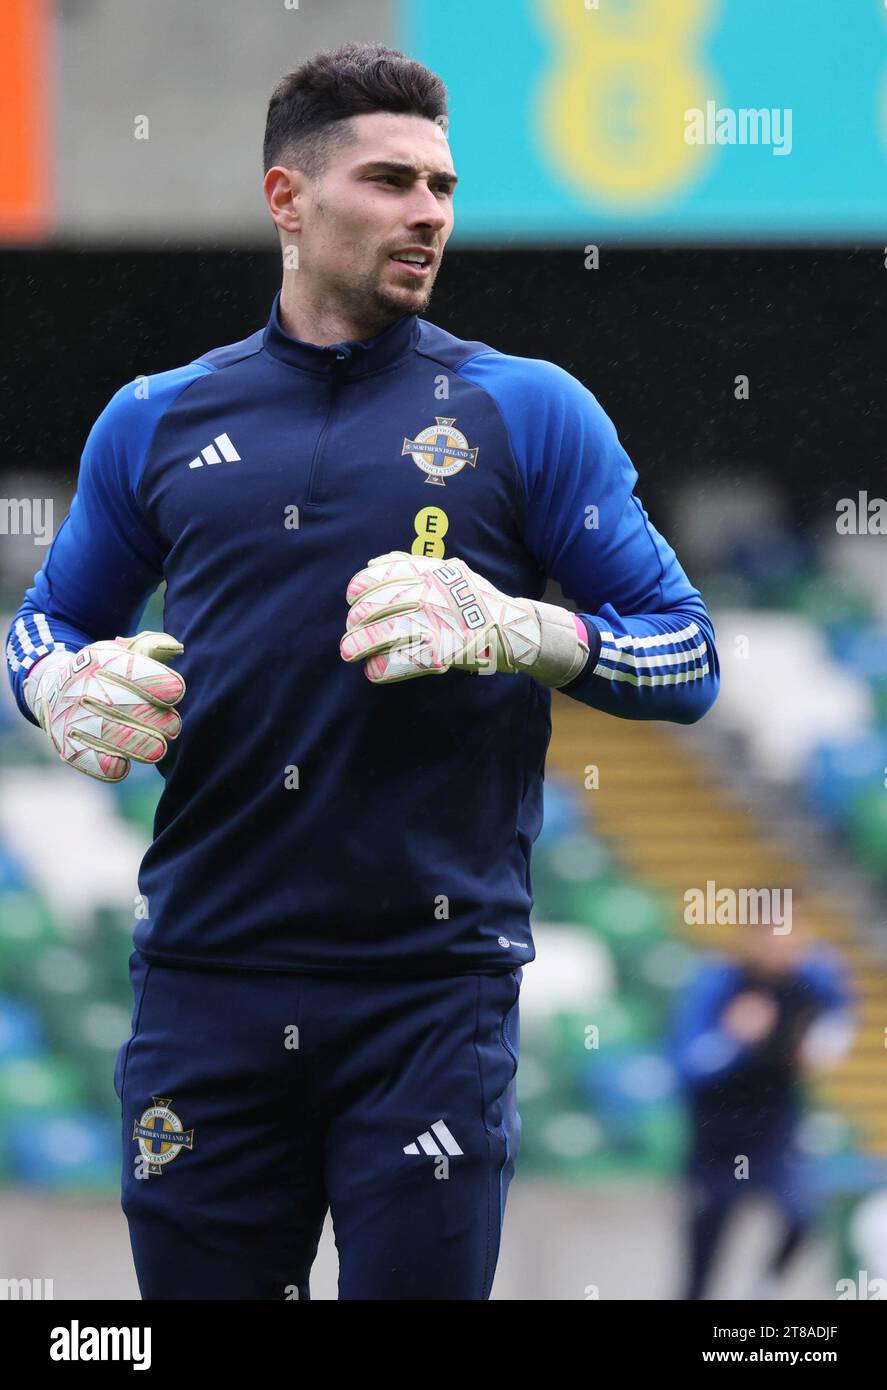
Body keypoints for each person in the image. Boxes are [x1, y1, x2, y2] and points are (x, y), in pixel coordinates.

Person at [5, 42, 719, 1299]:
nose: (428, 213)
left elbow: (688, 653)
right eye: (389, 181)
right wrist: (51, 684)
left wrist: (521, 627)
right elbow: (47, 621)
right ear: (288, 198)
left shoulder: (527, 410)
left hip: (429, 1001)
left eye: (441, 185)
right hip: (204, 989)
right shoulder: (154, 418)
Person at [671, 921, 855, 1300]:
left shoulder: (810, 979)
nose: (785, 945)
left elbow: (841, 1012)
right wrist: (732, 1039)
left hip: (775, 1125)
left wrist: (821, 1046)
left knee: (801, 1212)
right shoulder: (717, 983)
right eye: (774, 934)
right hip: (717, 1131)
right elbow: (686, 1063)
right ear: (751, 937)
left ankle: (763, 1290)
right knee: (707, 1241)